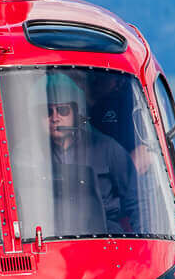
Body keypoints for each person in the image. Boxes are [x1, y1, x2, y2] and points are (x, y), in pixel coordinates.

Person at [44, 71, 138, 234]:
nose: (55, 118)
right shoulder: (29, 154)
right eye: (48, 112)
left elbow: (137, 203)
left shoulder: (108, 148)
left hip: (104, 237)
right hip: (50, 238)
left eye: (63, 110)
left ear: (76, 112)